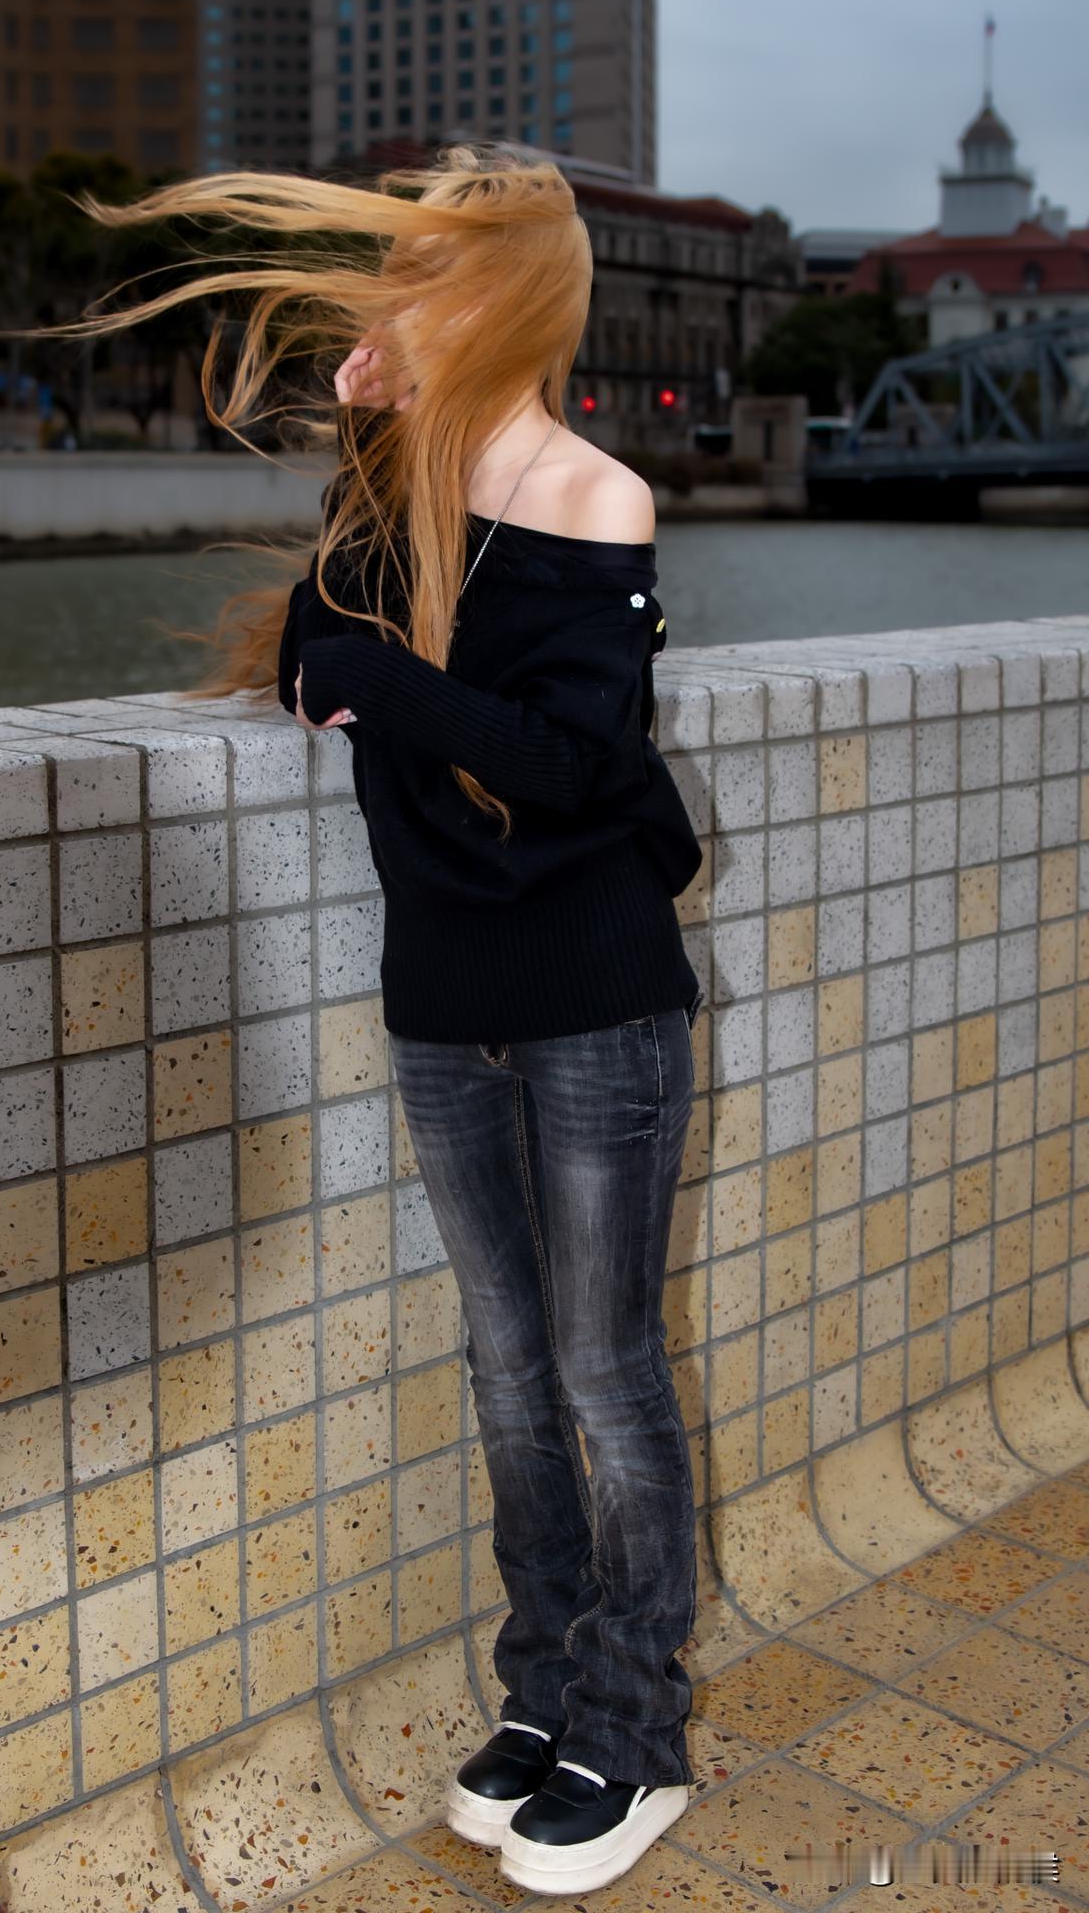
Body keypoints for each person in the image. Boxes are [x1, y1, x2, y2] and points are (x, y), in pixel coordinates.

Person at [61, 140, 705, 1899]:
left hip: (595, 1001)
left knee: (604, 1369)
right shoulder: (395, 494)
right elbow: (307, 665)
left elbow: (566, 762)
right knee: (508, 1368)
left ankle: (635, 1730)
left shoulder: (595, 496)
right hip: (443, 1001)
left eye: (420, 280)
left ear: (498, 301)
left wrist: (385, 685)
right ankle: (546, 1690)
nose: (387, 308)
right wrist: (366, 459)